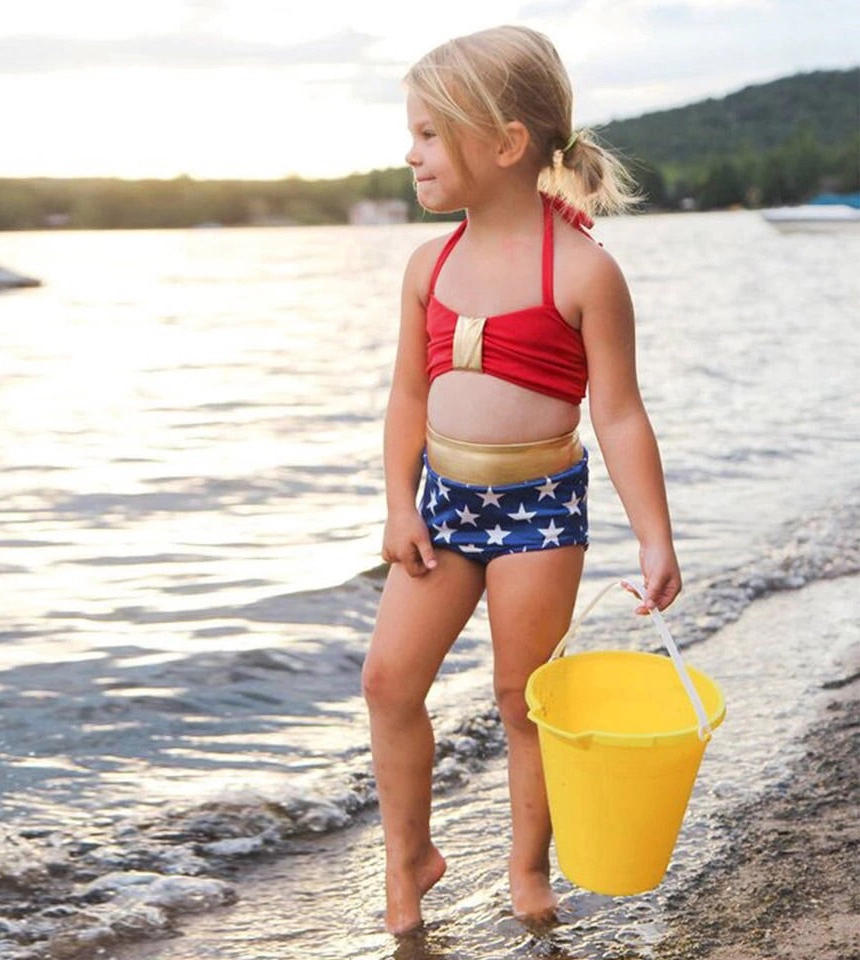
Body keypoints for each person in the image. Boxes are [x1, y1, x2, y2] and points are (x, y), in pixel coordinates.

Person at [360, 25, 682, 936]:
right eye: (412, 133)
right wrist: (397, 506)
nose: (410, 152)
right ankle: (409, 857)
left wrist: (654, 534)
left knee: (521, 695)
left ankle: (528, 862)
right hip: (443, 507)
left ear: (504, 144)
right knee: (388, 680)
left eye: (429, 134)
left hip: (540, 512)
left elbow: (618, 414)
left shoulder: (584, 272)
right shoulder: (431, 266)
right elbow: (406, 397)